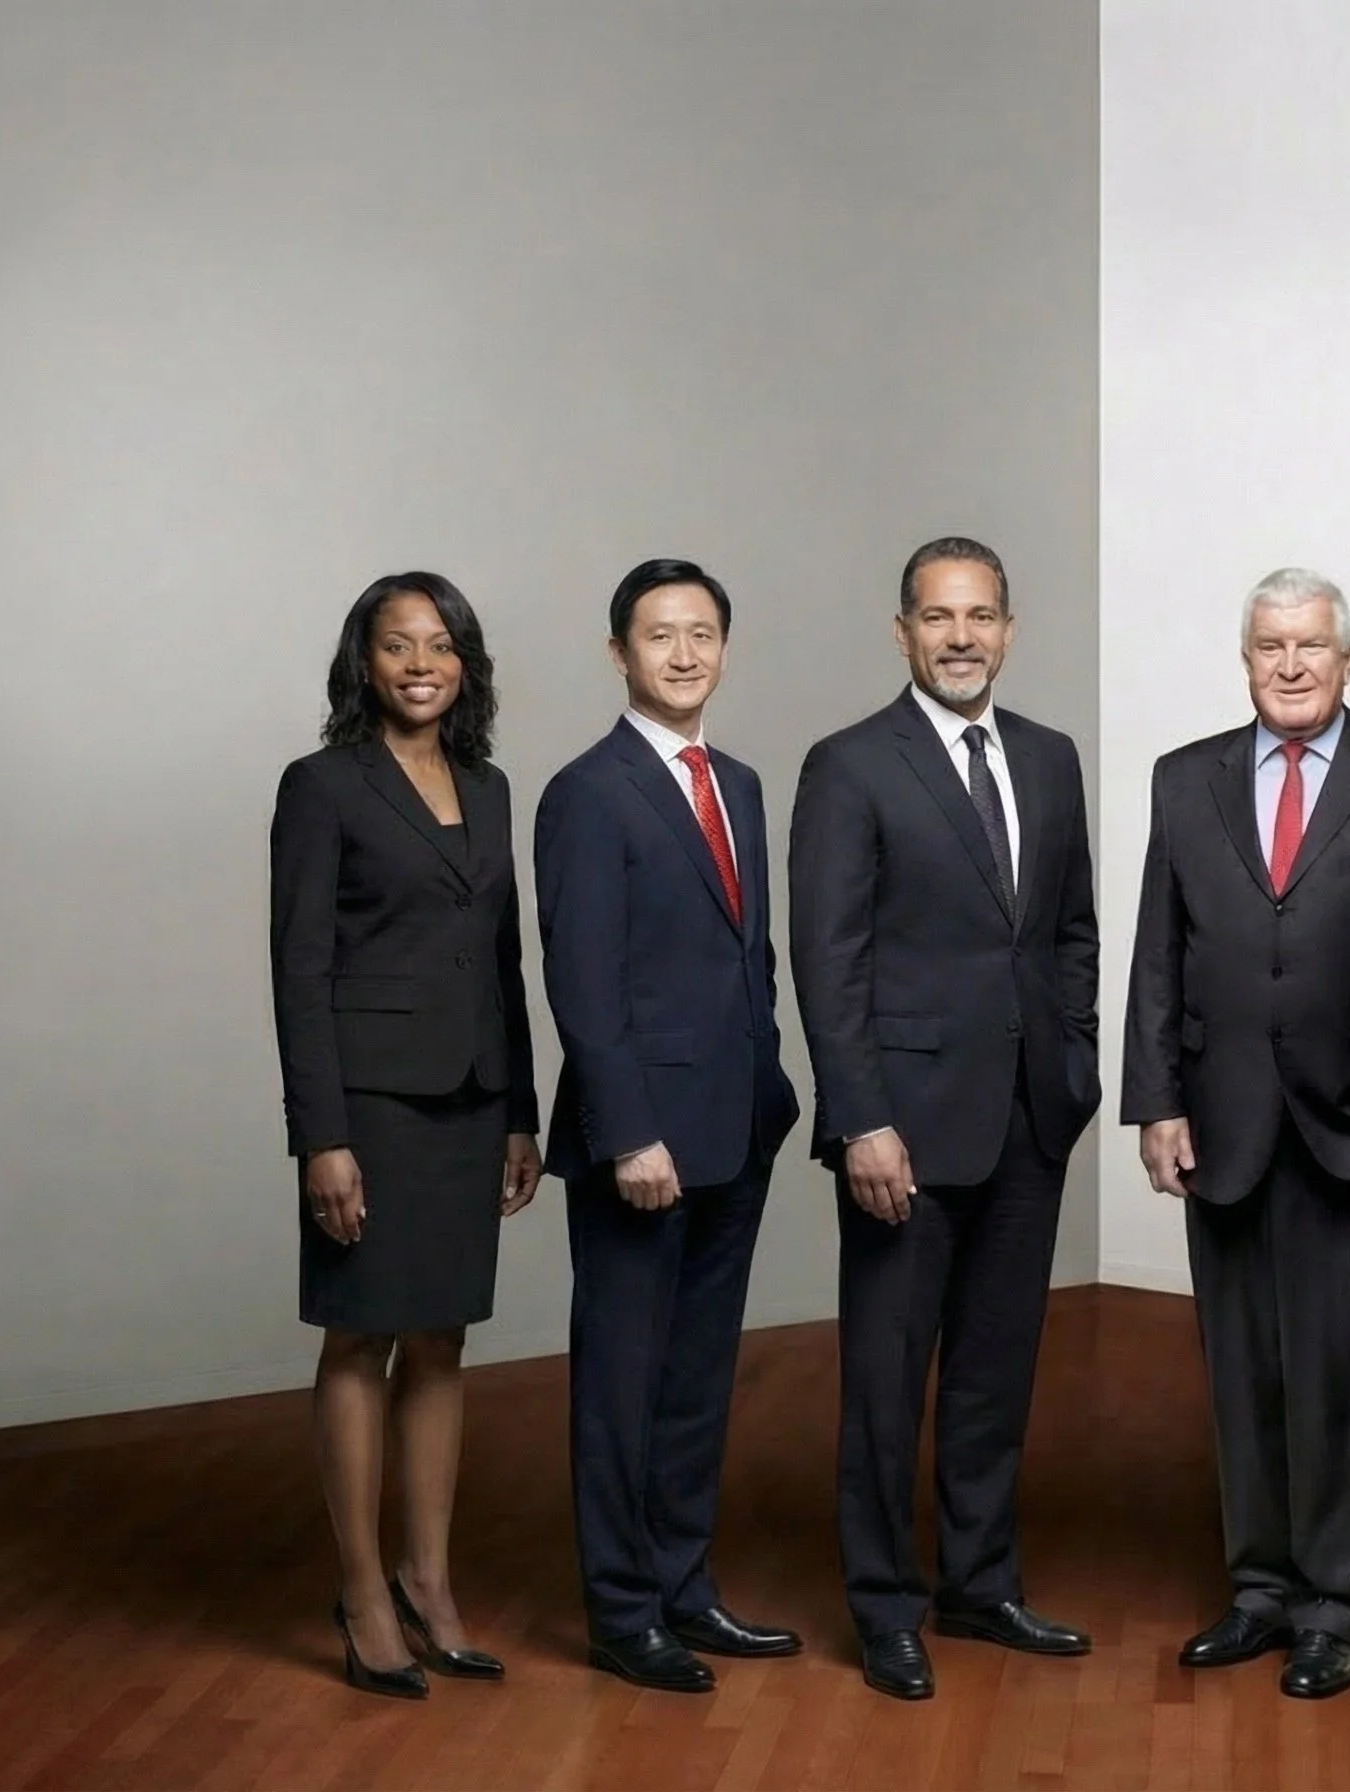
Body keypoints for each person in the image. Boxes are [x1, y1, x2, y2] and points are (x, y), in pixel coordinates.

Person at [1122, 567, 1350, 1699]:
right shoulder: (1185, 780)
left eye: (1311, 646)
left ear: (1347, 659)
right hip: (1224, 1126)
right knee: (1246, 1371)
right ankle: (1261, 1590)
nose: (1290, 665)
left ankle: (1337, 1603)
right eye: (1271, 646)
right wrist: (1157, 1100)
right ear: (1245, 659)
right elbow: (1157, 953)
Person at [788, 537, 1102, 1701]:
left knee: (993, 1370)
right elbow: (830, 960)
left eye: (980, 616)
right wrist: (860, 1119)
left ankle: (980, 1583)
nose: (960, 636)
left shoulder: (1051, 758)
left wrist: (1073, 1065)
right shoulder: (852, 765)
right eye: (937, 617)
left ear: (1009, 629)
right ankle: (885, 1605)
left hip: (1028, 1117)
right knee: (886, 1374)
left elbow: (1069, 931)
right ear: (902, 632)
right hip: (903, 1131)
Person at [270, 572, 543, 1698]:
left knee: (441, 1341)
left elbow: (503, 960)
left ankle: (430, 1580)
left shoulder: (489, 785)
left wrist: (523, 1108)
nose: (421, 662)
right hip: (371, 1106)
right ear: (365, 663)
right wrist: (319, 1137)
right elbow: (298, 969)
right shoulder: (323, 786)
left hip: (472, 1100)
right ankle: (363, 1589)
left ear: (465, 662)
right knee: (359, 1338)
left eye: (440, 644)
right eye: (398, 645)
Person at [534, 559, 803, 1694]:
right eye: (660, 635)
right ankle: (621, 1610)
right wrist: (626, 1132)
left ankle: (685, 1588)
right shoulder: (587, 792)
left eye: (702, 633)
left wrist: (772, 1086)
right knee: (622, 1380)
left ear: (725, 649)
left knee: (698, 1380)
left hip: (736, 1127)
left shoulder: (735, 780)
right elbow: (583, 981)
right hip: (641, 1144)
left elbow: (750, 953)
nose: (684, 653)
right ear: (619, 655)